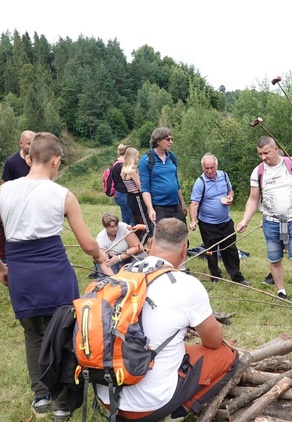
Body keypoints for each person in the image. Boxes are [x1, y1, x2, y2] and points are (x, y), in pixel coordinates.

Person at [0, 132, 111, 419]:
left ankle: (41, 397)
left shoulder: (4, 191)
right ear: (56, 160)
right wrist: (102, 257)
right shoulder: (63, 195)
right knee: (63, 337)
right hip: (55, 276)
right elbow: (88, 244)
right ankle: (62, 404)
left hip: (22, 274)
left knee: (33, 335)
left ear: (28, 157)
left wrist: (0, 269)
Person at [95, 218, 239, 421]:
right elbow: (213, 342)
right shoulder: (187, 285)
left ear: (151, 244)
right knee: (228, 354)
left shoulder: (121, 275)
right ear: (184, 249)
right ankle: (177, 412)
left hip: (108, 395)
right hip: (150, 405)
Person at [236, 136, 292, 304]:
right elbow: (253, 199)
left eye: (266, 153)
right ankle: (281, 291)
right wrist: (245, 219)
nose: (263, 157)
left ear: (275, 149)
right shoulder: (258, 171)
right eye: (260, 154)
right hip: (271, 222)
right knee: (274, 259)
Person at [188, 153, 248, 285]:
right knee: (211, 251)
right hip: (208, 224)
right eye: (206, 168)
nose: (209, 171)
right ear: (203, 168)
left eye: (212, 168)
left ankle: (236, 275)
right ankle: (215, 276)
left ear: (217, 166)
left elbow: (230, 191)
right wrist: (193, 220)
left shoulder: (224, 176)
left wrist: (230, 198)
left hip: (225, 221)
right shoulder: (200, 182)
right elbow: (194, 204)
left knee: (230, 248)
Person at [0, 130, 35, 261]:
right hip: (15, 203)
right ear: (21, 143)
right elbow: (4, 184)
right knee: (4, 229)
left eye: (35, 143)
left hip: (34, 203)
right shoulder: (11, 161)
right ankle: (3, 258)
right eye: (30, 144)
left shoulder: (39, 160)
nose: (32, 147)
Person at [139, 127, 187, 225]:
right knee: (163, 238)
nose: (171, 142)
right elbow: (145, 188)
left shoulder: (172, 157)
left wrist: (182, 203)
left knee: (182, 237)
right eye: (168, 139)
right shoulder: (146, 160)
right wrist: (150, 209)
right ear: (158, 141)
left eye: (171, 139)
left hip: (175, 205)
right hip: (159, 207)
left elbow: (176, 182)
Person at [121, 147, 153, 244]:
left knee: (137, 222)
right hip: (137, 198)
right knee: (146, 226)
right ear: (132, 157)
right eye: (137, 157)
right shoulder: (132, 171)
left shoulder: (124, 170)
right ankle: (139, 245)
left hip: (130, 197)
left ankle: (134, 242)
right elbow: (141, 186)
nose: (138, 159)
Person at [111, 143, 135, 226]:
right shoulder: (121, 165)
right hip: (124, 194)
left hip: (118, 194)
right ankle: (132, 237)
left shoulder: (115, 162)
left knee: (126, 220)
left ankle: (124, 237)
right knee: (133, 219)